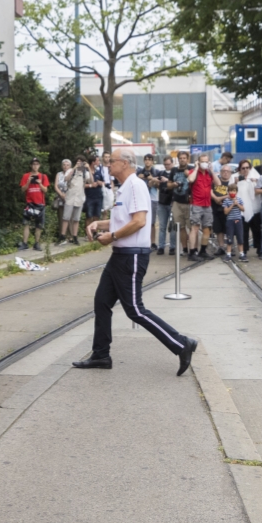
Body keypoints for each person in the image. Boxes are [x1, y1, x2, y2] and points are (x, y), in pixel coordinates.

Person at [72, 148, 198, 374]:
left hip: (131, 256)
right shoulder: (125, 187)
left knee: (135, 311)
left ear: (125, 163)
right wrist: (99, 225)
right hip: (120, 255)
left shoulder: (135, 185)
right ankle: (101, 354)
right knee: (102, 302)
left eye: (112, 161)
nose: (108, 165)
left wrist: (111, 236)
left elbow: (139, 221)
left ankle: (181, 344)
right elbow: (123, 219)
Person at [187, 152, 216, 258]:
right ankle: (192, 251)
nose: (204, 163)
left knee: (207, 228)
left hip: (207, 204)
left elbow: (218, 183)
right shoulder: (193, 172)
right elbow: (190, 179)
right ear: (198, 162)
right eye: (202, 161)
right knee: (194, 228)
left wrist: (212, 171)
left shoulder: (209, 173)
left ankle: (203, 251)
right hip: (196, 204)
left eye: (206, 161)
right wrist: (196, 168)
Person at [217, 165, 247, 261]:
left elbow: (243, 209)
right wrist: (231, 205)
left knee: (240, 238)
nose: (232, 193)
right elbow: (225, 212)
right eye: (230, 191)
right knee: (229, 239)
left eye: (234, 191)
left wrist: (237, 204)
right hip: (230, 221)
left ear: (236, 192)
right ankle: (228, 254)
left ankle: (242, 254)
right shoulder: (226, 201)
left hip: (238, 220)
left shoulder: (239, 199)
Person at [56, 158, 89, 245]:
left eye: (81, 163)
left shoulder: (85, 172)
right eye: (78, 162)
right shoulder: (71, 170)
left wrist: (88, 168)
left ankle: (75, 237)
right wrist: (74, 168)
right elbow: (66, 179)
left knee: (76, 219)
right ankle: (62, 236)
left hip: (80, 198)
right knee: (66, 218)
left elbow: (91, 181)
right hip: (70, 198)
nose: (79, 164)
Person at [19, 158, 50, 251]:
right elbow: (22, 189)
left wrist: (40, 184)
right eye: (33, 164)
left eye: (37, 164)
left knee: (39, 225)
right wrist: (28, 181)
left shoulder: (43, 176)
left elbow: (45, 190)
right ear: (30, 165)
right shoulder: (25, 176)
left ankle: (37, 243)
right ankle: (25, 243)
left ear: (39, 165)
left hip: (40, 204)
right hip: (29, 203)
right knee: (26, 223)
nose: (35, 166)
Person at [236, 158, 261, 256]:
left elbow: (261, 190)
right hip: (241, 209)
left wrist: (255, 182)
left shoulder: (256, 177)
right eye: (243, 168)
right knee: (243, 231)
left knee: (257, 230)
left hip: (255, 209)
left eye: (247, 168)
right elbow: (231, 190)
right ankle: (244, 250)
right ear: (240, 169)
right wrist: (236, 182)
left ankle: (259, 249)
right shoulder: (235, 177)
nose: (245, 170)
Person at [169, 150, 192, 255]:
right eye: (180, 158)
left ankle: (193, 249)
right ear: (178, 159)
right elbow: (168, 185)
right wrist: (173, 185)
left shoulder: (192, 169)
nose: (182, 160)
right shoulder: (174, 170)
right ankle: (185, 249)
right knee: (181, 227)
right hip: (177, 203)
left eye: (184, 158)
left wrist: (189, 176)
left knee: (192, 227)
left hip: (190, 202)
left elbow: (196, 182)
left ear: (187, 159)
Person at [153, 154, 175, 255]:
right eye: (165, 164)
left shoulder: (175, 173)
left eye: (168, 164)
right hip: (162, 202)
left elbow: (178, 185)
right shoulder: (161, 173)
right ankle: (161, 246)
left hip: (172, 202)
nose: (167, 166)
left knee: (173, 226)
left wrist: (167, 181)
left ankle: (172, 247)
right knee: (162, 226)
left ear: (172, 163)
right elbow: (156, 185)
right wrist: (156, 181)